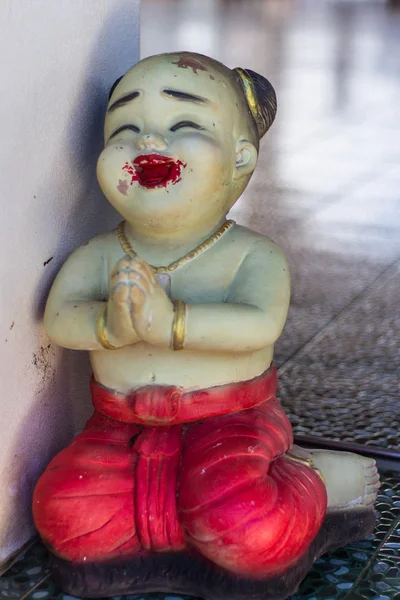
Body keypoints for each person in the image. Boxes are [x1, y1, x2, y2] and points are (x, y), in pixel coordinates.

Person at [33, 52, 379, 581]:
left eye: (183, 125)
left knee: (247, 526)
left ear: (241, 158)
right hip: (119, 426)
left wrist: (170, 324)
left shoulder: (252, 256)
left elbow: (260, 324)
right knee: (66, 512)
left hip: (231, 421)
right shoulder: (100, 255)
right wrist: (111, 326)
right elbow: (58, 317)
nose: (148, 142)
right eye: (126, 129)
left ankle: (315, 480)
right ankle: (166, 526)